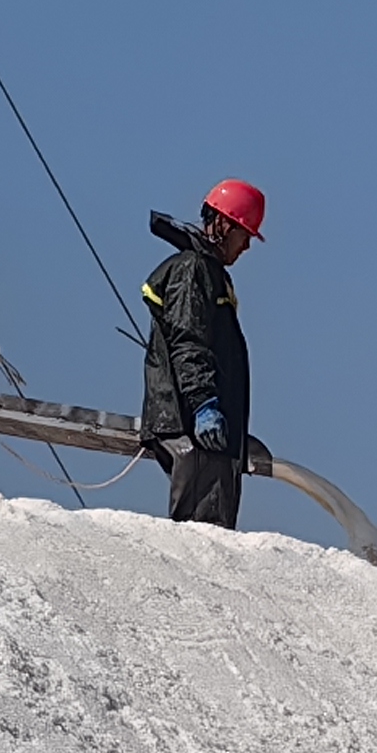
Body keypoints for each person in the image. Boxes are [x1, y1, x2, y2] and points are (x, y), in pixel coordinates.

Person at [139, 179, 265, 528]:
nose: (246, 246)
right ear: (224, 224)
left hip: (210, 433)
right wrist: (203, 404)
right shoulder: (192, 269)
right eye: (244, 234)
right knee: (203, 535)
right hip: (195, 428)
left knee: (212, 529)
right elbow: (188, 339)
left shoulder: (210, 274)